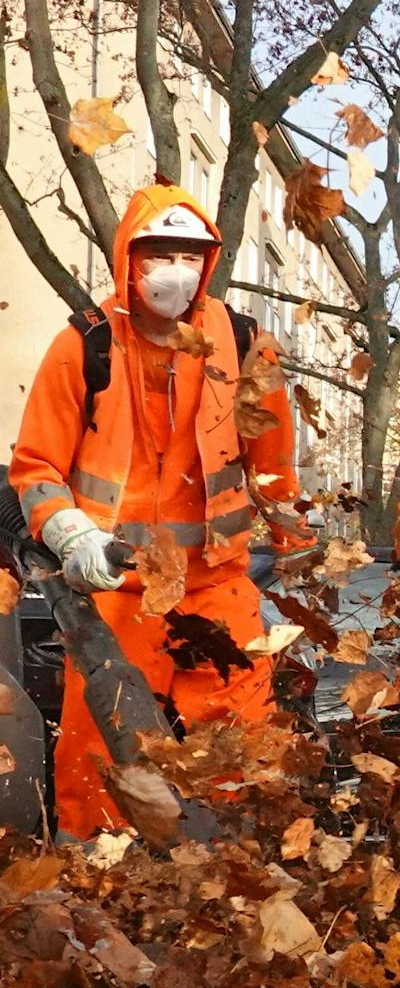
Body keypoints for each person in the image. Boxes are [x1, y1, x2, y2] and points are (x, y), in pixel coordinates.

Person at [9, 182, 309, 837]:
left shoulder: (246, 344)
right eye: (158, 254)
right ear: (128, 258)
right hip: (116, 591)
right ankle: (98, 890)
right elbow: (36, 468)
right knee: (103, 757)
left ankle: (237, 882)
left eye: (188, 255)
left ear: (208, 262)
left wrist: (303, 561)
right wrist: (74, 539)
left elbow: (275, 471)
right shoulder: (84, 346)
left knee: (243, 751)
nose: (175, 270)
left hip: (217, 585)